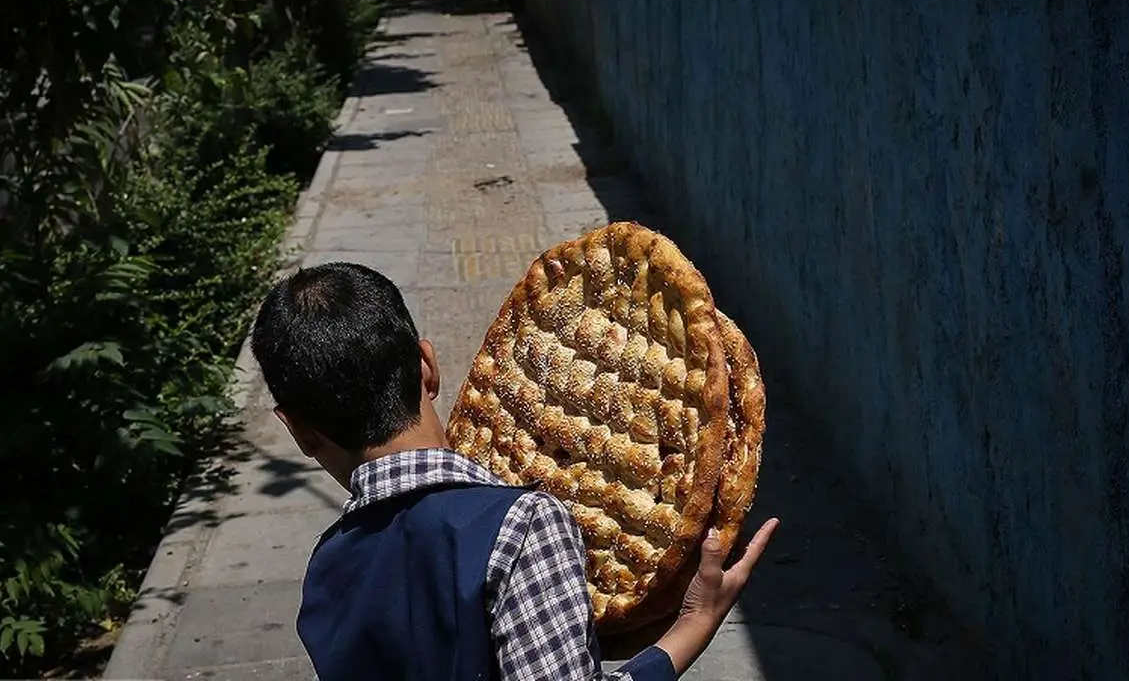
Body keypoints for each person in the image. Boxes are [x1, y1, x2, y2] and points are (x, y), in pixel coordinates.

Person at [250, 262, 780, 680]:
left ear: (297, 429)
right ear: (427, 366)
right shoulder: (521, 526)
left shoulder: (328, 566)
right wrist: (690, 628)